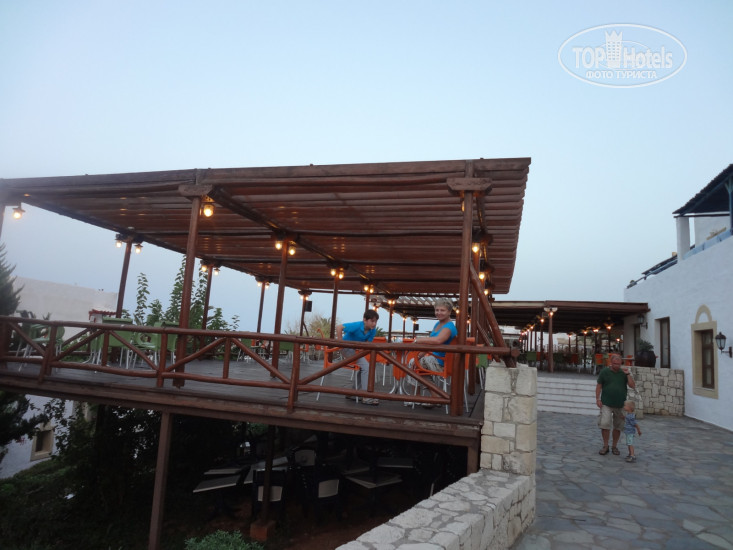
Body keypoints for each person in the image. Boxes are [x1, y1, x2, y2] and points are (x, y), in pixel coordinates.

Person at [407, 298, 458, 408]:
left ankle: (426, 396)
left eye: (442, 310)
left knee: (413, 365)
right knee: (414, 363)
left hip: (442, 362)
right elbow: (430, 344)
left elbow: (438, 340)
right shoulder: (437, 324)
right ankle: (427, 396)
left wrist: (418, 340)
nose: (439, 313)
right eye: (437, 310)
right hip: (435, 359)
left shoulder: (449, 327)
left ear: (449, 312)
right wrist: (419, 356)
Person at [335, 310, 380, 406]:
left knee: (363, 368)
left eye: (376, 321)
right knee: (366, 367)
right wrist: (340, 342)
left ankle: (353, 393)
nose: (374, 324)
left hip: (356, 351)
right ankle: (366, 396)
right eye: (372, 321)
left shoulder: (373, 331)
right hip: (346, 349)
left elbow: (367, 344)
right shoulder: (356, 325)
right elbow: (339, 327)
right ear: (365, 320)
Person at [595, 354, 636, 455]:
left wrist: (628, 374)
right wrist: (597, 398)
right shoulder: (604, 372)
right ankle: (605, 446)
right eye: (614, 363)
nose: (616, 365)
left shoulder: (624, 373)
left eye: (618, 364)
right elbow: (599, 385)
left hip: (620, 404)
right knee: (605, 424)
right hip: (606, 403)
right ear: (611, 363)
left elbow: (632, 385)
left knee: (618, 426)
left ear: (621, 363)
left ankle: (614, 446)